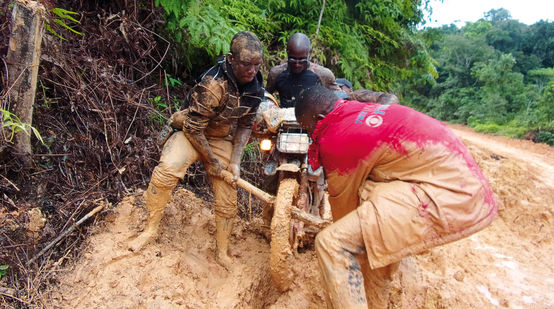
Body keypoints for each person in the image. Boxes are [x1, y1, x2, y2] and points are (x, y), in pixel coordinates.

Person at [295, 86, 498, 308]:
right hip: (458, 182)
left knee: (332, 243)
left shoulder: (337, 137)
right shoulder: (356, 110)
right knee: (369, 219)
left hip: (450, 193)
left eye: (309, 129)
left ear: (321, 118)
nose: (310, 136)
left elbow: (343, 207)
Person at [128, 31, 265, 270]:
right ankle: (150, 230)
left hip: (220, 136)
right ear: (231, 59)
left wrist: (235, 162)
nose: (251, 70)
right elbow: (193, 127)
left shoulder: (255, 88)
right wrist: (211, 161)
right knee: (166, 172)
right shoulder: (213, 85)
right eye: (246, 64)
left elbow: (245, 126)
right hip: (191, 132)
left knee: (228, 195)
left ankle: (222, 251)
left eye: (256, 64)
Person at [266, 33, 340, 108]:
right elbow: (266, 96)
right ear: (287, 53)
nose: (297, 64)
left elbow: (339, 98)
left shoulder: (323, 74)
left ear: (309, 54)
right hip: (285, 117)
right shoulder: (276, 73)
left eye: (302, 60)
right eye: (292, 59)